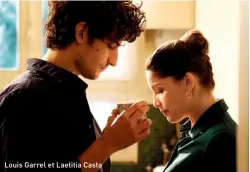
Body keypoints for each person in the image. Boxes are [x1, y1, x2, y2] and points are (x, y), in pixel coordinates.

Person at [0, 1, 152, 172]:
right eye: (111, 45)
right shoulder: (24, 97)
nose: (114, 61)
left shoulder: (67, 92)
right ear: (82, 33)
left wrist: (108, 137)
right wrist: (108, 144)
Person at [145, 29, 237, 172]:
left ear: (188, 82)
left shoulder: (221, 139)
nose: (155, 102)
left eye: (160, 90)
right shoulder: (193, 132)